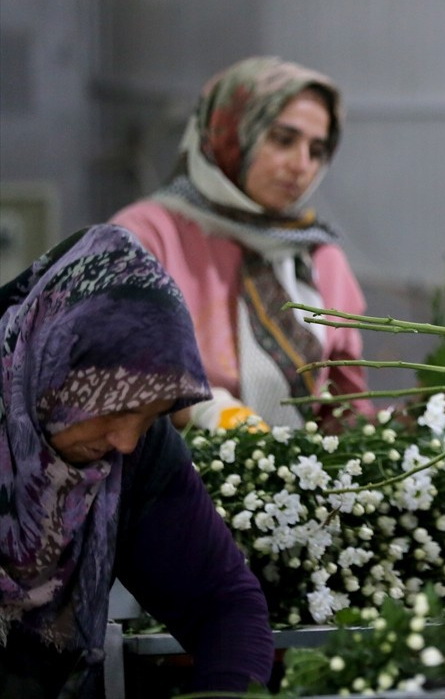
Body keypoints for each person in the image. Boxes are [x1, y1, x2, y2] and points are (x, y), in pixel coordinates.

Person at [0, 224, 274, 698]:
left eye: (149, 417)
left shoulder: (137, 453)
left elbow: (222, 603)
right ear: (55, 368)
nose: (126, 442)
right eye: (117, 408)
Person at [110, 55, 374, 432]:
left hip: (299, 484)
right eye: (283, 140)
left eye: (317, 151)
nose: (302, 165)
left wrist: (417, 422)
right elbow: (108, 376)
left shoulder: (319, 259)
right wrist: (203, 410)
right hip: (169, 478)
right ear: (230, 131)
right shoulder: (144, 237)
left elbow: (344, 414)